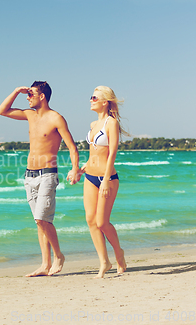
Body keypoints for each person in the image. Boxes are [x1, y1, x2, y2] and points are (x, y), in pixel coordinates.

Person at [0, 81, 80, 277]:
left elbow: (71, 146)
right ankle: (45, 264)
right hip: (29, 175)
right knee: (39, 222)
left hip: (47, 174)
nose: (28, 97)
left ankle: (58, 256)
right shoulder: (29, 115)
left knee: (42, 217)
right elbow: (2, 110)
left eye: (31, 94)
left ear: (42, 96)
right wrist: (17, 90)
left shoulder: (56, 118)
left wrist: (75, 168)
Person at [76, 85, 128, 278]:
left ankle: (119, 253)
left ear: (105, 102)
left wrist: (106, 179)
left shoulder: (111, 123)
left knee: (102, 222)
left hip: (108, 178)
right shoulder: (92, 125)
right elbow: (94, 153)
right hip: (90, 177)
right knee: (90, 220)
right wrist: (83, 168)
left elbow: (112, 152)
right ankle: (104, 262)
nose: (91, 100)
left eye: (94, 97)